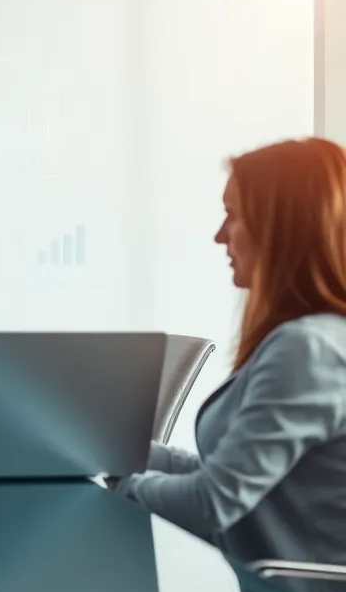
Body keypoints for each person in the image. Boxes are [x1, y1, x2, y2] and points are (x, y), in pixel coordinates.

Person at [115, 138, 346, 563]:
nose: (219, 235)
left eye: (233, 215)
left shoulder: (308, 350)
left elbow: (212, 502)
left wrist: (121, 487)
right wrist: (107, 447)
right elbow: (221, 475)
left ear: (281, 229)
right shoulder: (309, 339)